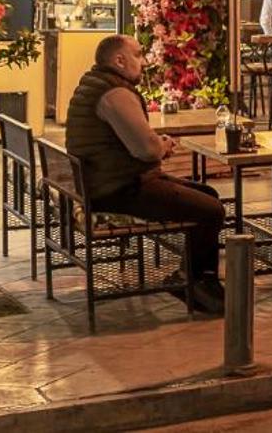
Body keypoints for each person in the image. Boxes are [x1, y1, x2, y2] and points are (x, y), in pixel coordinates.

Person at [63, 36, 227, 314]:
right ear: (119, 60)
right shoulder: (114, 93)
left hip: (105, 180)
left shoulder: (95, 83)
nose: (144, 62)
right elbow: (146, 150)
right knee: (211, 210)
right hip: (117, 189)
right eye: (138, 55)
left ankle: (190, 275)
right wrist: (162, 146)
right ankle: (195, 280)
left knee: (207, 194)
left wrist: (155, 146)